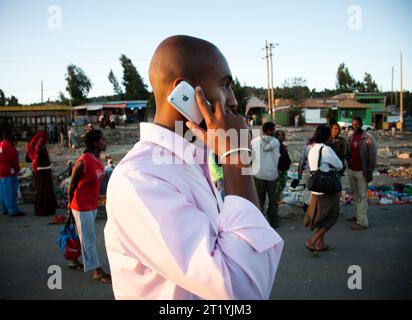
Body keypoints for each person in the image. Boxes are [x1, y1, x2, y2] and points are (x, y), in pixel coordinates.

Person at [104, 35, 283, 300]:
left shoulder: (191, 161)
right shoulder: (141, 178)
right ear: (183, 92)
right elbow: (242, 290)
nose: (233, 100)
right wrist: (235, 157)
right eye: (225, 85)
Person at [68, 129, 111, 283]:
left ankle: (73, 260)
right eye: (102, 140)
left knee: (83, 236)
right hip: (81, 206)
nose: (104, 142)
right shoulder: (83, 161)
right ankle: (97, 271)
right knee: (89, 239)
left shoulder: (98, 160)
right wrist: (69, 206)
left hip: (91, 205)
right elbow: (72, 185)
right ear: (94, 143)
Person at [304, 125, 343, 255]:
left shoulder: (312, 148)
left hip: (316, 187)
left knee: (322, 217)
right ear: (327, 136)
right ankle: (312, 240)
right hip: (326, 189)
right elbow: (339, 165)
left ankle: (320, 244)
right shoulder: (326, 149)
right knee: (333, 216)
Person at [346, 117, 377, 230]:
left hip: (362, 171)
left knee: (362, 196)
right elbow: (348, 152)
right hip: (352, 170)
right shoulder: (351, 136)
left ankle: (362, 222)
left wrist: (370, 170)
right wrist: (348, 164)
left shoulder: (368, 138)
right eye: (353, 124)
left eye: (357, 124)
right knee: (354, 194)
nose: (355, 126)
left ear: (361, 124)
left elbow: (372, 155)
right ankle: (357, 215)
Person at [251, 122, 281, 228]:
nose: (274, 131)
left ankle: (259, 222)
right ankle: (274, 221)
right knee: (273, 200)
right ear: (270, 130)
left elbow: (251, 158)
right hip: (272, 175)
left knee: (259, 199)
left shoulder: (254, 141)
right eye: (273, 129)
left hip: (258, 175)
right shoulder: (276, 141)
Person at [26, 131, 57, 216]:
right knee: (44, 190)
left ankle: (40, 208)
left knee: (41, 190)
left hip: (39, 172)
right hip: (43, 173)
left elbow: (29, 158)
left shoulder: (34, 146)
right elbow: (43, 161)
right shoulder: (40, 148)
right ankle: (44, 209)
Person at [0, 130, 25, 217]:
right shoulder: (8, 145)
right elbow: (12, 159)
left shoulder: (2, 144)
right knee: (11, 191)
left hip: (2, 171)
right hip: (9, 171)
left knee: (3, 192)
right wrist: (17, 168)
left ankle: (5, 208)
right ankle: (13, 210)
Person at [275, 130, 291, 205]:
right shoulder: (276, 146)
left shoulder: (282, 145)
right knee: (279, 186)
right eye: (282, 135)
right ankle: (277, 201)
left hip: (283, 169)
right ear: (277, 136)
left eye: (284, 135)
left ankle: (279, 200)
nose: (284, 137)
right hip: (280, 169)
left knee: (282, 185)